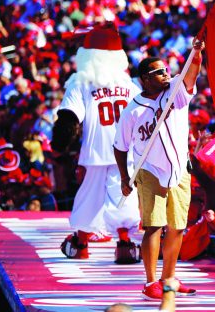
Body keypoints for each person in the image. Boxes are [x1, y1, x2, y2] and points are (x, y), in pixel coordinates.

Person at [114, 39, 205, 300]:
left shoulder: (175, 91)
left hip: (179, 170)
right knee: (154, 226)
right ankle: (150, 281)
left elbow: (192, 71)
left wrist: (196, 52)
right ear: (145, 79)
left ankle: (169, 278)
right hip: (150, 169)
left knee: (177, 227)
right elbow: (120, 146)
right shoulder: (132, 110)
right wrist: (124, 177)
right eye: (159, 72)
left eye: (166, 69)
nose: (166, 73)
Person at [53, 24, 141, 262]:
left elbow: (69, 117)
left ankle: (80, 244)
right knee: (123, 196)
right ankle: (125, 243)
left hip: (95, 150)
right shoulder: (129, 85)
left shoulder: (80, 82)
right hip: (126, 151)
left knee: (89, 197)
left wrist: (59, 145)